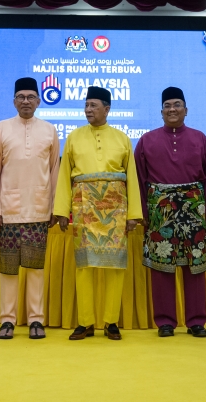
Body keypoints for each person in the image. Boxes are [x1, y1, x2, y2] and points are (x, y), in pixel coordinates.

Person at [53, 85, 141, 341]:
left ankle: (111, 322)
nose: (88, 110)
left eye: (93, 105)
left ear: (107, 108)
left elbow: (132, 177)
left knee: (115, 265)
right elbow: (63, 178)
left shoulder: (122, 138)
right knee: (84, 264)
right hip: (84, 207)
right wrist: (61, 210)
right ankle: (85, 322)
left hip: (116, 208)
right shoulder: (73, 137)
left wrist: (134, 213)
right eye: (86, 105)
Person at [134, 87, 206, 338]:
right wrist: (142, 213)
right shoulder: (146, 141)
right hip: (160, 209)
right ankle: (165, 321)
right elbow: (139, 179)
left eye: (177, 104)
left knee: (196, 266)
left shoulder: (200, 138)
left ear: (186, 110)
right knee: (161, 266)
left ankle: (196, 321)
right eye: (168, 105)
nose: (173, 109)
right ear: (161, 111)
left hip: (194, 208)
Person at [0, 77, 60, 340]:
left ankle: (36, 320)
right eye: (21, 97)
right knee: (8, 268)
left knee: (36, 268)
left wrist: (54, 207)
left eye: (31, 97)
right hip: (8, 209)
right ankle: (7, 320)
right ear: (14, 101)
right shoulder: (2, 128)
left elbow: (54, 171)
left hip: (39, 209)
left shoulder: (50, 130)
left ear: (39, 101)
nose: (26, 101)